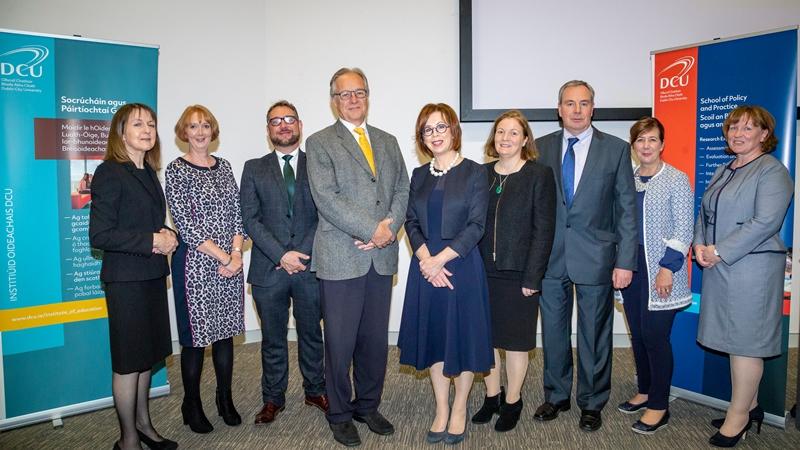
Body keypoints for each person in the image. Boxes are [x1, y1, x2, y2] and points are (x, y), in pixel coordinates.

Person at [305, 67, 409, 447]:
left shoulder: (388, 140)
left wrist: (389, 227)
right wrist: (373, 230)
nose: (353, 99)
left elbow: (402, 189)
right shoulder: (319, 143)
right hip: (340, 256)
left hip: (380, 260)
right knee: (339, 341)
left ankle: (367, 405)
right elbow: (327, 198)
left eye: (359, 92)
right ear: (333, 100)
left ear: (368, 96)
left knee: (373, 340)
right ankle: (339, 412)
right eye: (345, 94)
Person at [533, 80, 637, 432]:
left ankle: (592, 402)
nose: (577, 110)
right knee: (553, 332)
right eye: (569, 103)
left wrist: (625, 261)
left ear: (593, 108)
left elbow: (626, 210)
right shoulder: (540, 147)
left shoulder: (617, 150)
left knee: (595, 334)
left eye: (584, 103)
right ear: (559, 109)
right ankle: (557, 395)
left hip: (597, 257)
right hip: (550, 257)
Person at [694, 105, 793, 447]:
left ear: (765, 134)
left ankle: (738, 418)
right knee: (733, 341)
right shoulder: (724, 169)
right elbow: (704, 213)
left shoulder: (772, 172)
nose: (738, 134)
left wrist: (718, 251)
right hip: (720, 267)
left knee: (746, 344)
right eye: (733, 128)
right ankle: (749, 407)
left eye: (748, 128)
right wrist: (700, 246)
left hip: (753, 270)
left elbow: (765, 222)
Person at [398, 103, 492, 445]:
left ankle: (460, 408)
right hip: (425, 267)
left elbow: (477, 225)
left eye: (441, 128)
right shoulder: (419, 175)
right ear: (422, 137)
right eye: (428, 130)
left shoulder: (475, 172)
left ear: (454, 131)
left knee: (462, 340)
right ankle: (441, 407)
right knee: (436, 339)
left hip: (462, 266)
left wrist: (441, 260)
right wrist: (426, 259)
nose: (435, 135)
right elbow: (410, 221)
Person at [89, 103, 178, 450]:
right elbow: (100, 235)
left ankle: (144, 425)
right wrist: (152, 240)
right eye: (138, 123)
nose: (147, 129)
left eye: (152, 124)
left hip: (153, 275)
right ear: (120, 132)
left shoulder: (148, 172)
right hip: (125, 281)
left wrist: (167, 234)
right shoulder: (109, 172)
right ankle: (127, 440)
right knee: (129, 362)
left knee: (145, 357)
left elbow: (145, 223)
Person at [240, 100, 328, 425]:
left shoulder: (318, 163)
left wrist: (299, 254)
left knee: (311, 335)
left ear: (300, 125)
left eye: (289, 119)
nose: (283, 125)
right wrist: (281, 255)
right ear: (268, 130)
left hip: (309, 268)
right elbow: (250, 219)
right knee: (272, 339)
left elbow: (325, 213)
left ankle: (315, 390)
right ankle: (273, 399)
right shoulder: (254, 167)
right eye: (276, 121)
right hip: (269, 269)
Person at [472, 110, 556, 432]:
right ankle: (492, 396)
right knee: (488, 339)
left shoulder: (538, 175)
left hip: (520, 274)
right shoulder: (481, 174)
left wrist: (533, 277)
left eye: (513, 133)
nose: (505, 138)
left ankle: (513, 400)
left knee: (517, 342)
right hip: (483, 272)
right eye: (501, 132)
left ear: (524, 140)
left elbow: (544, 230)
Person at [165, 105, 245, 434]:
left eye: (205, 126)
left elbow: (238, 214)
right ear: (184, 132)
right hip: (195, 266)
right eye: (193, 126)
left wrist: (237, 253)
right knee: (196, 341)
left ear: (213, 131)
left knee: (225, 336)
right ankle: (191, 404)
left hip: (230, 262)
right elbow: (186, 226)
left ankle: (224, 399)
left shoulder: (224, 166)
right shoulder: (175, 170)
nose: (200, 132)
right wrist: (224, 257)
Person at [617, 117, 693, 435]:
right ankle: (645, 390)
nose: (646, 145)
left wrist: (667, 268)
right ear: (633, 146)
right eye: (640, 140)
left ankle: (659, 405)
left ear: (662, 144)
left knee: (656, 338)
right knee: (637, 333)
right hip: (632, 267)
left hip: (663, 270)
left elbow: (684, 226)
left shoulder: (676, 178)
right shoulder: (629, 179)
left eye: (652, 139)